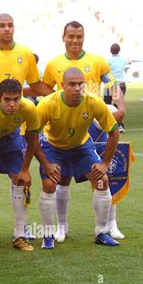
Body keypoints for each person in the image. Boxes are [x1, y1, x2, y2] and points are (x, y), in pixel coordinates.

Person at [0, 13, 53, 242]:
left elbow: (35, 84)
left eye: (10, 25)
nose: (7, 29)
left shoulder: (25, 53)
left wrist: (58, 96)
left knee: (19, 178)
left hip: (12, 129)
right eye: (2, 25)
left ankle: (20, 232)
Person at [41, 20, 125, 243]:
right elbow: (45, 89)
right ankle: (61, 227)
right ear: (64, 37)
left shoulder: (97, 60)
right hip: (63, 125)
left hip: (93, 123)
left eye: (79, 36)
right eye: (71, 36)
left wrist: (121, 106)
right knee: (63, 178)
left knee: (103, 174)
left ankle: (109, 226)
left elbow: (112, 84)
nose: (75, 40)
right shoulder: (53, 64)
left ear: (83, 37)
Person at [0, 79, 58, 254]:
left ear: (22, 97)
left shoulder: (29, 108)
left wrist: (25, 170)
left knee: (20, 181)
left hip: (11, 139)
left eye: (16, 99)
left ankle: (20, 235)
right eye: (7, 99)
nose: (12, 104)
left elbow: (32, 139)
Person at [37, 67, 120, 249]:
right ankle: (48, 235)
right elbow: (31, 135)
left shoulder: (94, 102)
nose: (77, 88)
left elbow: (114, 131)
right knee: (50, 184)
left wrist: (105, 163)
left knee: (102, 181)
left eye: (80, 84)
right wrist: (45, 164)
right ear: (62, 85)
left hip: (81, 147)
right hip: (53, 147)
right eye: (72, 84)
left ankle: (102, 232)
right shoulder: (48, 103)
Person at [88, 101, 126, 239]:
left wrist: (121, 109)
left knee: (107, 179)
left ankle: (111, 224)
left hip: (101, 115)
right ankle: (62, 226)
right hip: (80, 122)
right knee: (63, 179)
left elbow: (115, 87)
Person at [104, 43, 128, 132]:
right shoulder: (123, 60)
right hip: (121, 84)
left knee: (106, 104)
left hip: (110, 84)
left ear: (111, 51)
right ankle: (119, 125)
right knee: (118, 106)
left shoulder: (108, 60)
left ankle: (106, 124)